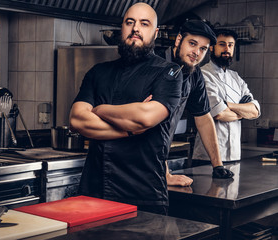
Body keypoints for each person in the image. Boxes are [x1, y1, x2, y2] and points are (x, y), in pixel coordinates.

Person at [69, 2, 183, 215]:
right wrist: (129, 130)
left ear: (155, 33)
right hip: (95, 191)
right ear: (122, 28)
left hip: (144, 192)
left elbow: (145, 118)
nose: (135, 29)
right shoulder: (98, 72)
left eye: (144, 23)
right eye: (129, 22)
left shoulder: (169, 73)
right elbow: (77, 120)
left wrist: (101, 110)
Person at [163, 20, 235, 186]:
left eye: (202, 48)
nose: (196, 52)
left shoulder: (194, 74)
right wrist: (164, 172)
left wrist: (217, 165)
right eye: (192, 44)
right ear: (178, 40)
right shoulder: (157, 64)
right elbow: (151, 124)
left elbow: (204, 118)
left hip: (158, 158)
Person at [192, 29, 260, 161]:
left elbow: (255, 111)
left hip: (234, 154)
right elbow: (219, 114)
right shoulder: (203, 75)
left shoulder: (236, 78)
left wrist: (228, 105)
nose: (227, 49)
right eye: (222, 44)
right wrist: (242, 113)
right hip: (207, 157)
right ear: (212, 47)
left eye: (230, 45)